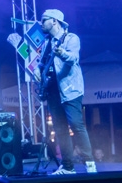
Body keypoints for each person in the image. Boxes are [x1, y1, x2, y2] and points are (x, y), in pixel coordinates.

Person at [38, 9, 95, 174]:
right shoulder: (46, 42)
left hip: (70, 90)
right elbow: (43, 63)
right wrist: (38, 71)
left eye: (44, 20)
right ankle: (68, 166)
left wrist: (62, 53)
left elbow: (73, 58)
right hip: (52, 91)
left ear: (54, 21)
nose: (41, 23)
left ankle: (90, 163)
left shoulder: (71, 38)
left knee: (76, 125)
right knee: (60, 130)